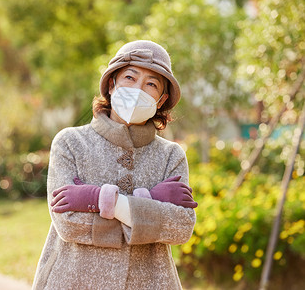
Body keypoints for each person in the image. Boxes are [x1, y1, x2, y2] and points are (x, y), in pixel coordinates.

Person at [32, 40, 198, 290]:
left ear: (162, 99)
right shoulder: (70, 143)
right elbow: (67, 223)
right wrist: (151, 204)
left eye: (151, 84)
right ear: (112, 83)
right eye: (130, 77)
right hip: (73, 280)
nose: (138, 89)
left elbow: (181, 226)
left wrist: (97, 199)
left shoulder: (171, 155)